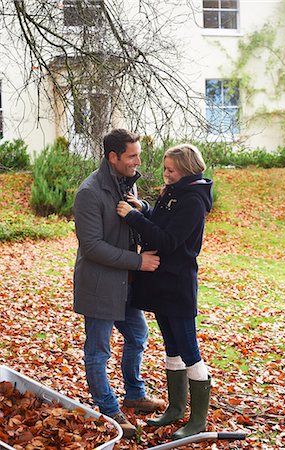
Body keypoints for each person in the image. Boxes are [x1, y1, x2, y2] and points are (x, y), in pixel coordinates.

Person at [116, 143, 213, 440]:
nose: (166, 174)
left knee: (188, 349)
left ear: (185, 170)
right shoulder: (174, 194)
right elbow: (160, 221)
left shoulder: (193, 200)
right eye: (165, 169)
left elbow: (169, 240)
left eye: (170, 170)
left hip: (178, 285)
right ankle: (175, 408)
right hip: (162, 283)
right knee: (172, 347)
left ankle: (198, 420)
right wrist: (142, 208)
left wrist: (132, 218)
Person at [73, 128, 165, 438]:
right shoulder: (89, 192)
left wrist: (142, 213)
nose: (138, 161)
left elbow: (129, 231)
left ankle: (134, 394)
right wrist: (139, 262)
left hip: (125, 285)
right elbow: (92, 246)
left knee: (138, 334)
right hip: (99, 285)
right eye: (132, 156)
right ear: (113, 157)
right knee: (98, 352)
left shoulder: (125, 187)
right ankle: (108, 408)